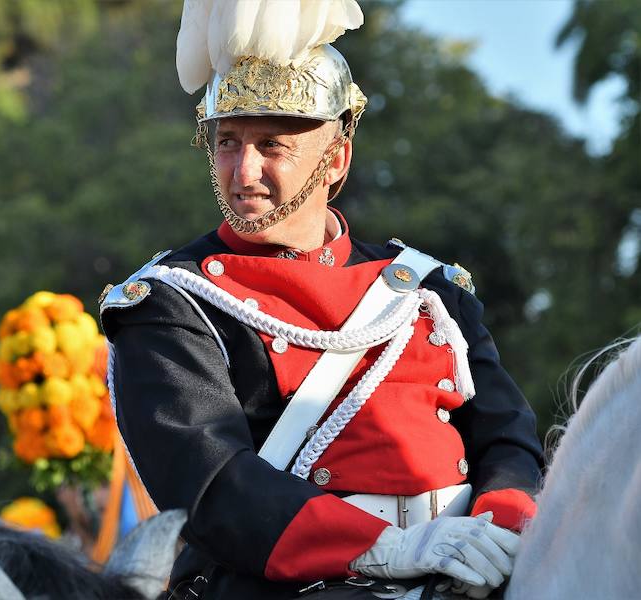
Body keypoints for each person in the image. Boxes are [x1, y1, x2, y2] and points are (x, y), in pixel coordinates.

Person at [100, 2, 543, 598]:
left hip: (470, 569)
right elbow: (212, 484)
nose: (243, 170)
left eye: (272, 145)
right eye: (228, 142)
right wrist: (391, 550)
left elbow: (507, 435)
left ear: (335, 160)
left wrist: (502, 529)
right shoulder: (168, 302)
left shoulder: (426, 288)